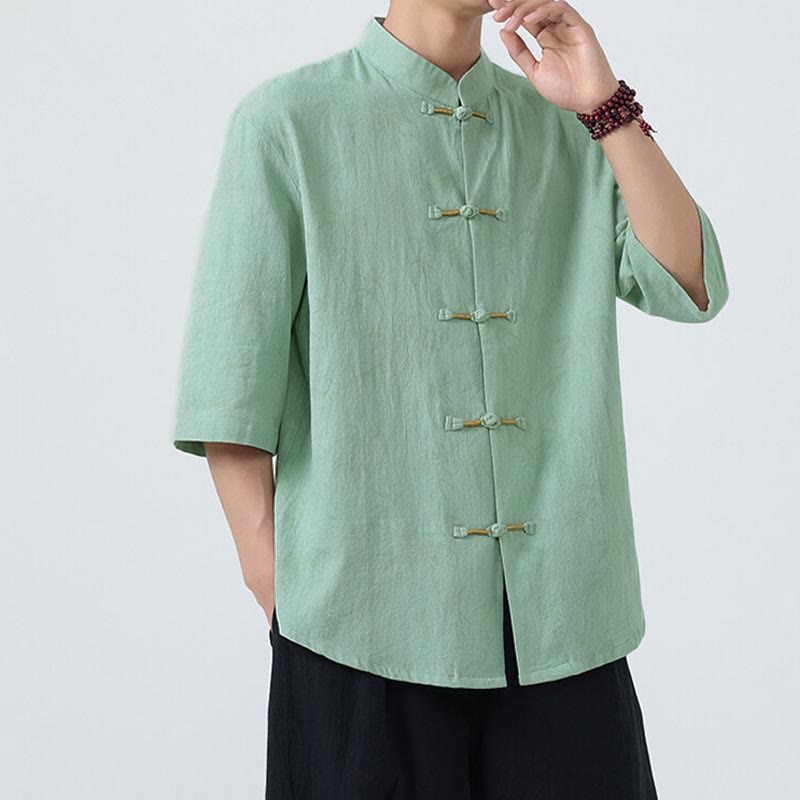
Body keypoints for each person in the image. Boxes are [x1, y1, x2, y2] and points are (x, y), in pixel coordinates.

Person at [172, 1, 729, 797]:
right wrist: (279, 591)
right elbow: (231, 388)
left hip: (564, 625)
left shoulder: (569, 124)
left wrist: (605, 106)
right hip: (358, 631)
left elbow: (689, 282)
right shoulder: (286, 123)